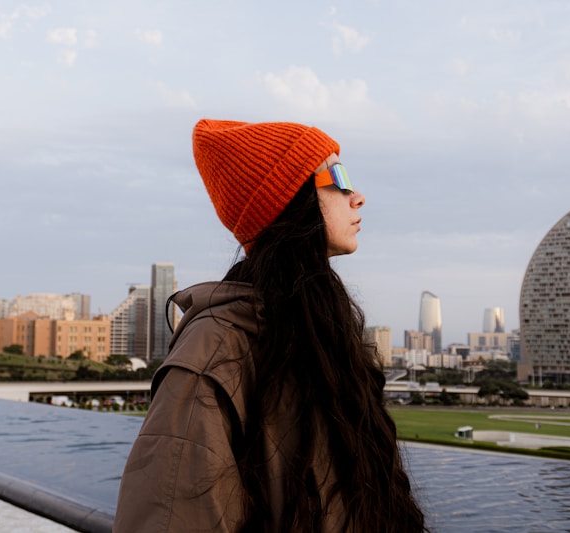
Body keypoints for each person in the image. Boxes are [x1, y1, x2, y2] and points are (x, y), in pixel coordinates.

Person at [114, 119, 427, 532]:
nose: (358, 197)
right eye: (339, 178)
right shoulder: (213, 352)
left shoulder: (320, 334)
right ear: (291, 201)